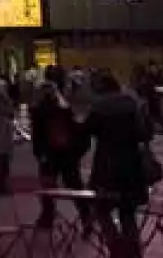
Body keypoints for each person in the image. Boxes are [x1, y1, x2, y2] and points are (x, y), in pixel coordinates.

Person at [88, 72, 156, 258]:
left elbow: (88, 130)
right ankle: (133, 251)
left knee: (101, 207)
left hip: (107, 166)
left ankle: (115, 246)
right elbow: (145, 133)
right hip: (131, 166)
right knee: (127, 211)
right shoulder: (134, 104)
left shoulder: (99, 107)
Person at [32, 69, 91, 229]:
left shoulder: (39, 112)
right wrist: (77, 153)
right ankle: (86, 215)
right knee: (75, 185)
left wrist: (39, 154)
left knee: (48, 187)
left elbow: (37, 137)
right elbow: (79, 132)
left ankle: (47, 217)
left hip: (49, 155)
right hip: (68, 155)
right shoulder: (65, 110)